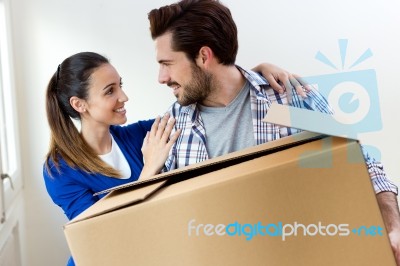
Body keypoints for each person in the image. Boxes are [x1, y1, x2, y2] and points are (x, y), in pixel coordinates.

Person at [147, 0, 400, 263]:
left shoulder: (291, 98)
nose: (161, 77)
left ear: (203, 56)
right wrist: (149, 175)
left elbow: (363, 167)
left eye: (167, 63)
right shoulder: (172, 127)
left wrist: (393, 227)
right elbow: (168, 224)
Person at [43, 51, 308, 266]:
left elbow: (199, 108)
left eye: (120, 86)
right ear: (80, 104)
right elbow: (98, 237)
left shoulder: (141, 137)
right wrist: (149, 171)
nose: (124, 97)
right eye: (110, 91)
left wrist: (254, 73)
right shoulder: (59, 171)